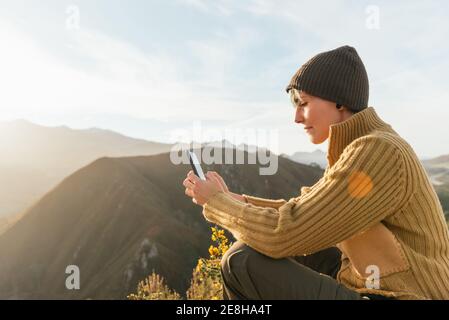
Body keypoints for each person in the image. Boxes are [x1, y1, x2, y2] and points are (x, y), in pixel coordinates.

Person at [182, 45, 449, 300]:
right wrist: (239, 202)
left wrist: (217, 202)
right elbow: (306, 212)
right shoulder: (364, 144)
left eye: (303, 103)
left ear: (339, 102)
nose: (296, 117)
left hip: (401, 294)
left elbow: (286, 233)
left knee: (241, 262)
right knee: (252, 249)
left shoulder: (376, 150)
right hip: (377, 279)